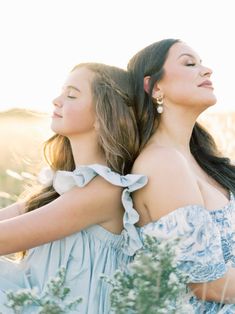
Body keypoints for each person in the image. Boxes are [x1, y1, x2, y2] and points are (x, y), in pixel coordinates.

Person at [0, 62, 147, 313]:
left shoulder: (105, 190)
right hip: (38, 298)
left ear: (103, 116)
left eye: (71, 95)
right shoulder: (63, 185)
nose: (57, 101)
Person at [127, 39, 235, 313]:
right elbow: (208, 284)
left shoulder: (202, 160)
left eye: (202, 63)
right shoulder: (162, 163)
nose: (207, 70)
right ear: (155, 87)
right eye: (190, 63)